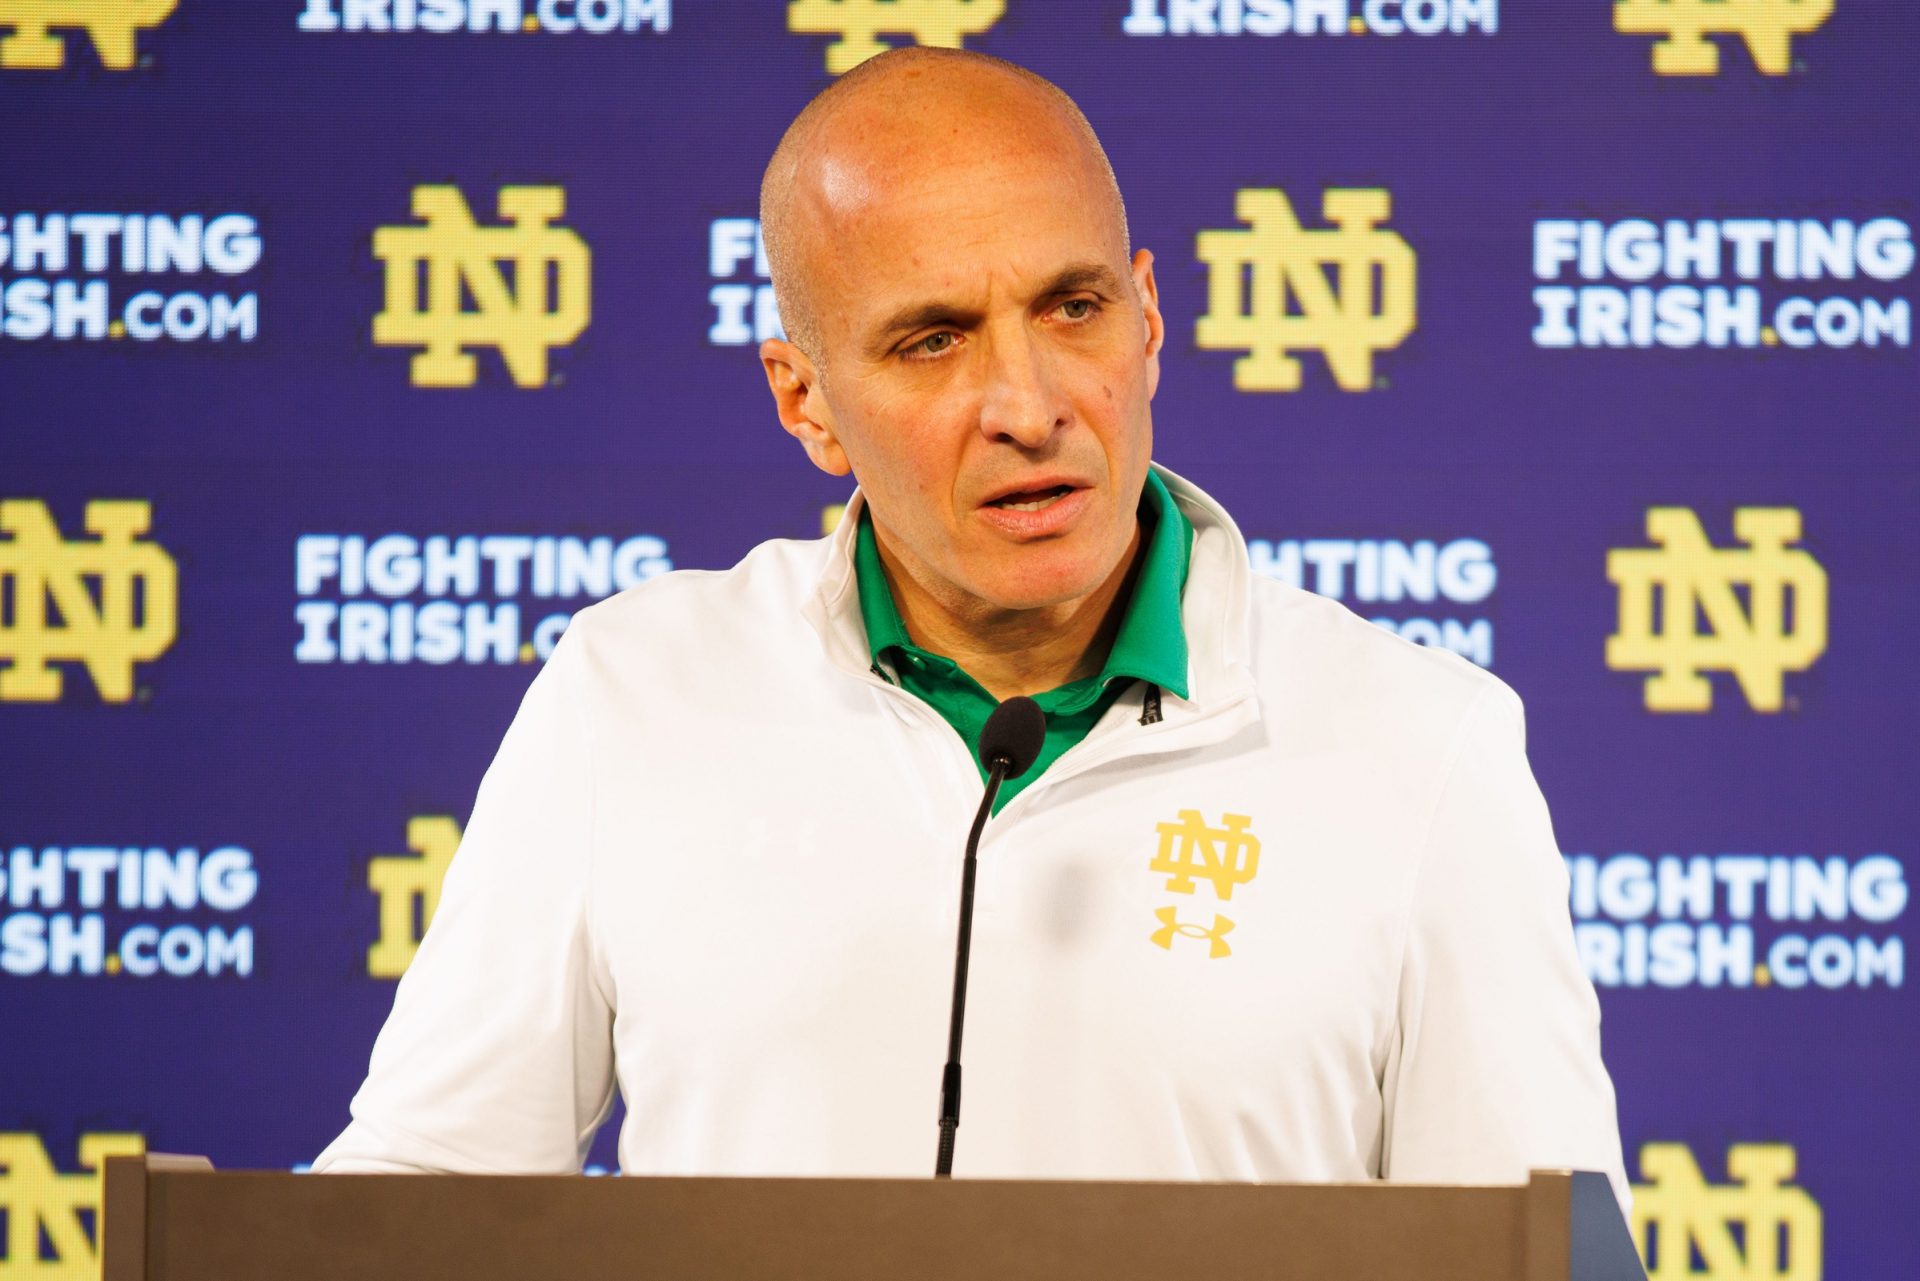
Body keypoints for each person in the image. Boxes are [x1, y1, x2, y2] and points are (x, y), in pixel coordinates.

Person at [315, 47, 1630, 1214]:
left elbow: (1523, 1250)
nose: (1028, 401)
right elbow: (420, 1208)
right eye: (933, 339)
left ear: (1152, 315)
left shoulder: (1422, 745)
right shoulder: (633, 697)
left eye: (1073, 307)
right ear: (806, 398)